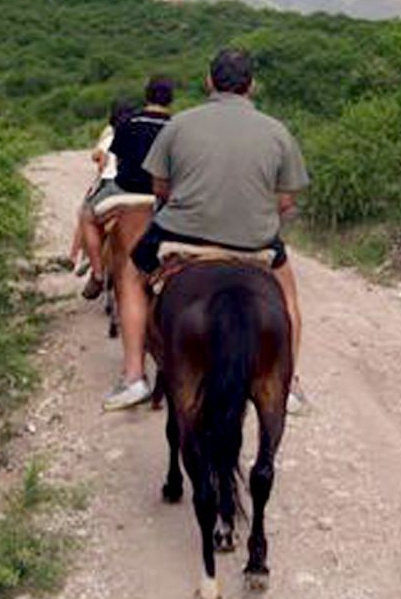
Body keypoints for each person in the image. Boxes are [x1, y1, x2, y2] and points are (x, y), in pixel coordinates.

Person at [103, 50, 309, 412]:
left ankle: (134, 375)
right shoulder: (278, 131)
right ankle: (287, 383)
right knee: (288, 297)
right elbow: (287, 201)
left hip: (184, 234)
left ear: (209, 81)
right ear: (252, 84)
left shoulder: (179, 125)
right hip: (254, 240)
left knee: (131, 274)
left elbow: (161, 189)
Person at [69, 98, 139, 297]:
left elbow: (99, 159)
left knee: (86, 215)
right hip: (142, 190)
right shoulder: (143, 134)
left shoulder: (110, 135)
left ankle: (95, 270)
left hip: (112, 186)